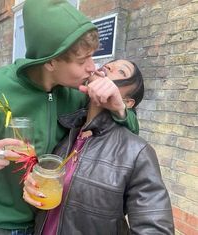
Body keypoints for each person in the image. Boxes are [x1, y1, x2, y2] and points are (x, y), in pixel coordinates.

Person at [0, 1, 139, 234]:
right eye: (81, 60)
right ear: (51, 61)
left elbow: (130, 133)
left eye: (92, 56)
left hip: (49, 222)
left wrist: (119, 107)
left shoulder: (77, 94)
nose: (92, 67)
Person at [23, 59, 175, 235]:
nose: (109, 67)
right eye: (111, 64)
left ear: (127, 102)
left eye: (122, 72)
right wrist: (33, 187)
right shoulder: (67, 135)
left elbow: (157, 230)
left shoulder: (137, 152)